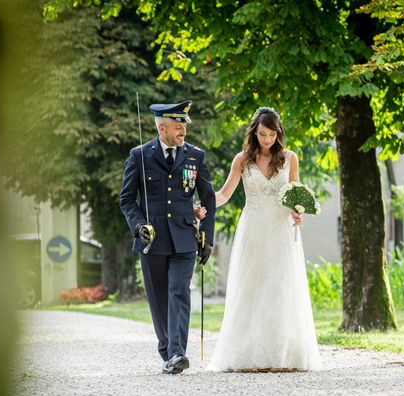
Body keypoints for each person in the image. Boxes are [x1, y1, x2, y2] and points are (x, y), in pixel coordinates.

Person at [201, 107, 322, 372]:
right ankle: (248, 354)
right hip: (253, 229)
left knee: (278, 287)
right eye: (262, 134)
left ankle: (281, 355)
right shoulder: (242, 160)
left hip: (280, 230)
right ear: (254, 133)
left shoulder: (290, 158)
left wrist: (298, 212)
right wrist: (203, 206)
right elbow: (223, 194)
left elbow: (295, 195)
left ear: (279, 133)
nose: (267, 139)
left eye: (271, 134)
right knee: (251, 286)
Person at [120, 100, 216, 375]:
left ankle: (177, 353)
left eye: (184, 125)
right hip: (152, 239)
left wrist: (206, 237)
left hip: (185, 237)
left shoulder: (196, 156)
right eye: (177, 126)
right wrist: (138, 225)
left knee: (179, 292)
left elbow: (208, 198)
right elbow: (127, 199)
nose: (183, 130)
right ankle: (167, 349)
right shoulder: (139, 155)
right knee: (159, 298)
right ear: (162, 128)